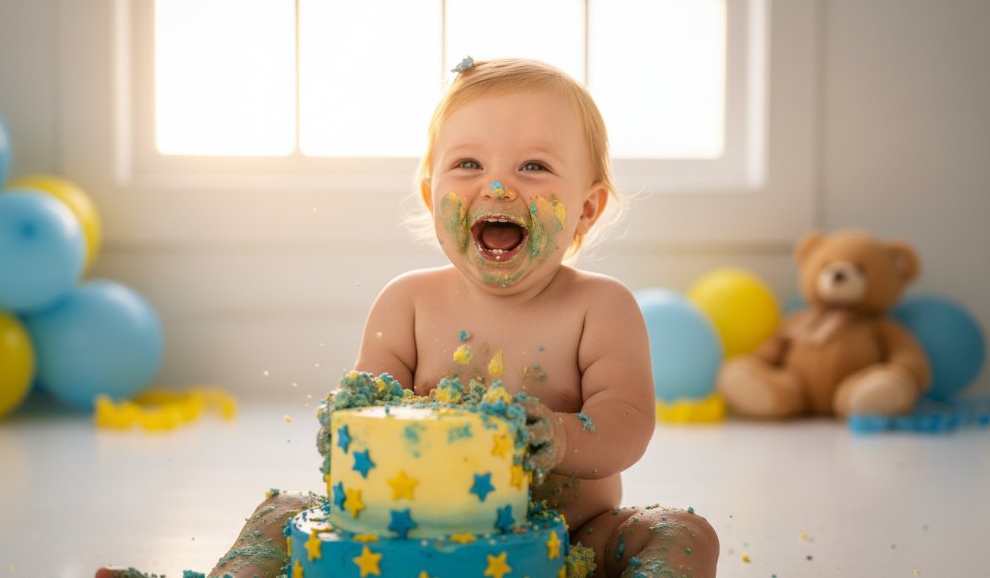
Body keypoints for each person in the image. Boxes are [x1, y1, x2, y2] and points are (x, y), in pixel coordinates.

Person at [98, 57, 718, 578]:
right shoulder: (410, 303)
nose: (498, 187)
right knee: (281, 511)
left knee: (684, 531)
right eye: (469, 165)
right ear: (431, 195)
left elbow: (627, 426)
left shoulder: (600, 307)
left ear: (586, 210)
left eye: (533, 167)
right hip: (404, 542)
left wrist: (558, 437)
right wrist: (345, 425)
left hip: (566, 544)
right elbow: (358, 421)